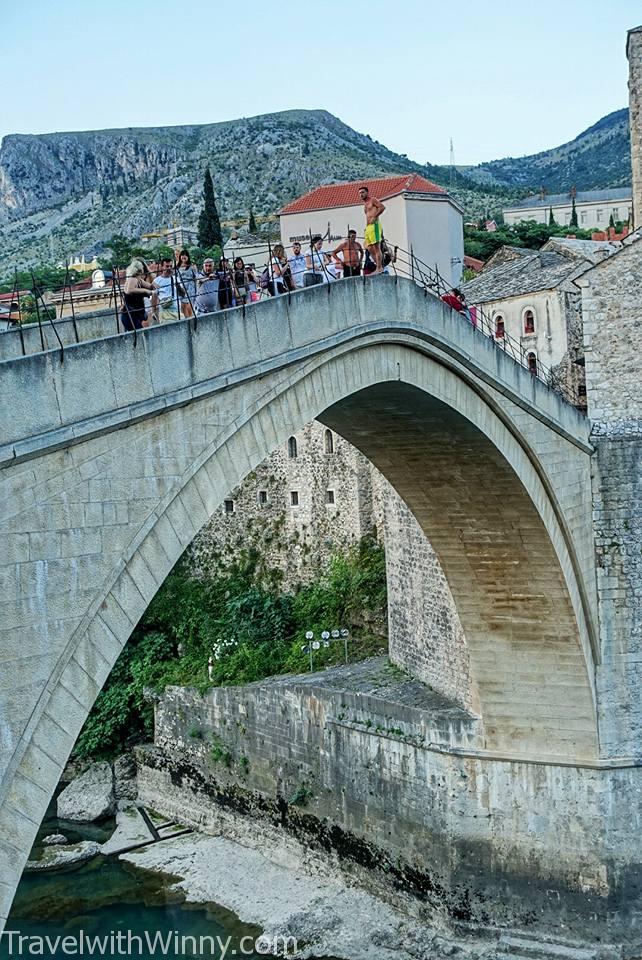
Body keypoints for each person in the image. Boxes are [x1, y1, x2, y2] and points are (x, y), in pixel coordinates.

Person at [120, 258, 155, 331]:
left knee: (139, 333)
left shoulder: (139, 280)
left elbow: (150, 286)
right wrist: (145, 291)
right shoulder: (132, 279)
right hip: (130, 315)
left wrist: (155, 285)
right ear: (140, 270)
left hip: (136, 314)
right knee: (138, 333)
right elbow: (129, 290)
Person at [359, 186, 385, 274]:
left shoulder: (372, 200)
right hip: (368, 227)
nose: (361, 194)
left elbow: (382, 207)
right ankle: (377, 266)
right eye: (360, 193)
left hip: (375, 225)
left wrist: (375, 216)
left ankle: (380, 267)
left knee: (376, 247)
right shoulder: (365, 204)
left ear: (367, 192)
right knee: (369, 247)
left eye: (362, 192)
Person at [149, 258, 179, 323]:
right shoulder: (157, 281)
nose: (169, 268)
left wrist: (177, 284)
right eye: (167, 266)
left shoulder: (176, 278)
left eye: (171, 266)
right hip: (164, 311)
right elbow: (154, 296)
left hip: (177, 310)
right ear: (162, 267)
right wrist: (153, 312)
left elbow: (183, 294)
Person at [176, 249, 197, 318]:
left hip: (190, 288)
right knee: (183, 307)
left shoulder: (192, 266)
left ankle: (190, 319)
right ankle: (186, 320)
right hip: (181, 288)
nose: (184, 257)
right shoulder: (177, 267)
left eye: (185, 255)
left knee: (189, 306)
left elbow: (196, 277)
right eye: (182, 255)